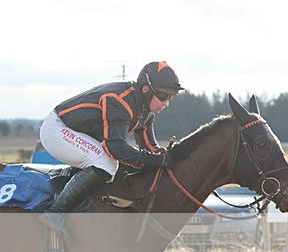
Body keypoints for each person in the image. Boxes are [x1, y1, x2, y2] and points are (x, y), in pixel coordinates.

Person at [38, 61, 184, 234]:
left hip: (75, 132)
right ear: (146, 89)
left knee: (113, 163)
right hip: (57, 129)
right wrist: (152, 159)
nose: (166, 103)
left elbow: (150, 147)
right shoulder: (119, 100)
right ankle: (55, 212)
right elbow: (115, 147)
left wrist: (169, 157)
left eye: (171, 97)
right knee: (107, 163)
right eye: (164, 95)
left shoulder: (145, 110)